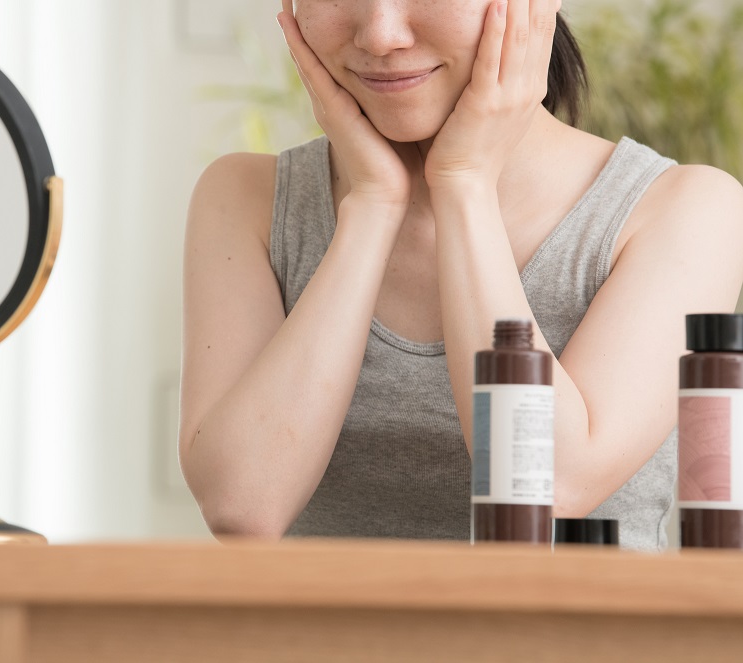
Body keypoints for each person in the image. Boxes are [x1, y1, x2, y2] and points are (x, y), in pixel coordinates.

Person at [178, 0, 743, 550]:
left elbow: (549, 488)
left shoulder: (682, 209)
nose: (381, 34)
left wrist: (464, 185)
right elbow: (243, 506)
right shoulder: (246, 199)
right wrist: (372, 205)